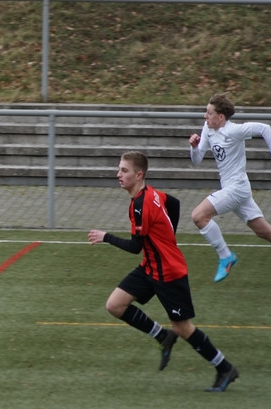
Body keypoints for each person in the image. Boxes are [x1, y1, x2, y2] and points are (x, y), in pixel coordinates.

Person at [88, 151, 239, 392]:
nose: (118, 175)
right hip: (150, 267)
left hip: (169, 272)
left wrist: (106, 237)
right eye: (119, 170)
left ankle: (224, 368)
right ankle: (162, 336)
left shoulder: (141, 205)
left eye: (124, 171)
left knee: (183, 327)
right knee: (115, 305)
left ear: (139, 175)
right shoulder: (152, 193)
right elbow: (174, 203)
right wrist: (167, 237)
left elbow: (135, 247)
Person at [189, 92, 271, 282]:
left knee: (198, 216)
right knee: (265, 232)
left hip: (236, 188)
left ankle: (225, 256)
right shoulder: (208, 128)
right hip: (234, 189)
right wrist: (194, 147)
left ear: (221, 117)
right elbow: (196, 160)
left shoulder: (234, 131)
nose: (205, 116)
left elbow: (265, 128)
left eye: (209, 113)